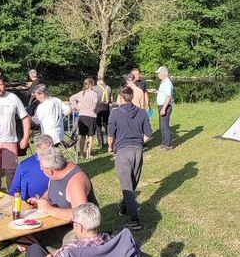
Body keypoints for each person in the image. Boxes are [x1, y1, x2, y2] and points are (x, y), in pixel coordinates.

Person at [24, 145, 99, 257]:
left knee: (33, 242)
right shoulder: (55, 175)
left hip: (75, 231)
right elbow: (51, 191)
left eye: (42, 168)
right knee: (26, 235)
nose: (41, 170)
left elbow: (81, 216)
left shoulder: (75, 181)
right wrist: (42, 200)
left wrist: (50, 210)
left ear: (50, 170)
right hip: (56, 224)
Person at [107, 87, 152, 231]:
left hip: (123, 152)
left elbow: (110, 135)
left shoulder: (115, 113)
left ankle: (135, 220)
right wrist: (140, 143)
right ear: (132, 97)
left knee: (127, 186)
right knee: (132, 183)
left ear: (121, 97)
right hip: (138, 151)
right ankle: (124, 206)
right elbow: (148, 134)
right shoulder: (142, 112)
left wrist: (111, 147)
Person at [37, 203, 109, 257]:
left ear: (80, 227)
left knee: (34, 250)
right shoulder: (108, 242)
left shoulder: (70, 251)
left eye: (74, 223)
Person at [9, 134, 55, 202]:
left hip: (30, 203)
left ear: (37, 148)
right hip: (49, 204)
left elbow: (13, 191)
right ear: (52, 148)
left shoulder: (23, 165)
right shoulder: (57, 165)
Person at [69, 78, 101, 157]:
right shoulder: (94, 94)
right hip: (91, 116)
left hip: (82, 116)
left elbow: (71, 99)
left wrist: (78, 107)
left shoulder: (80, 93)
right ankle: (88, 154)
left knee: (82, 136)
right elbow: (94, 106)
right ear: (90, 84)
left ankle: (82, 153)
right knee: (90, 136)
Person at [155, 65, 175, 149]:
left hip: (165, 106)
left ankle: (168, 144)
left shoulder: (167, 82)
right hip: (162, 105)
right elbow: (164, 93)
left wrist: (164, 108)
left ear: (165, 73)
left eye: (159, 73)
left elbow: (168, 96)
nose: (158, 75)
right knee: (162, 126)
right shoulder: (163, 82)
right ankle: (164, 142)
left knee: (165, 125)